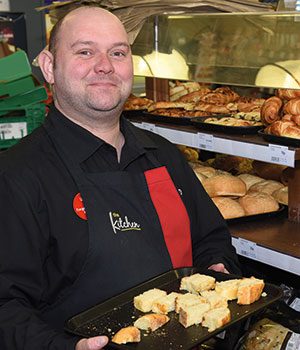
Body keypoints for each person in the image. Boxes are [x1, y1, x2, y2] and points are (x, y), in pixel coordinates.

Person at [0, 6, 241, 350]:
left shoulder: (164, 155)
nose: (105, 65)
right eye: (85, 51)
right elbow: (5, 307)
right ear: (49, 67)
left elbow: (210, 239)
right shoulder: (18, 174)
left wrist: (216, 271)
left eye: (118, 52)